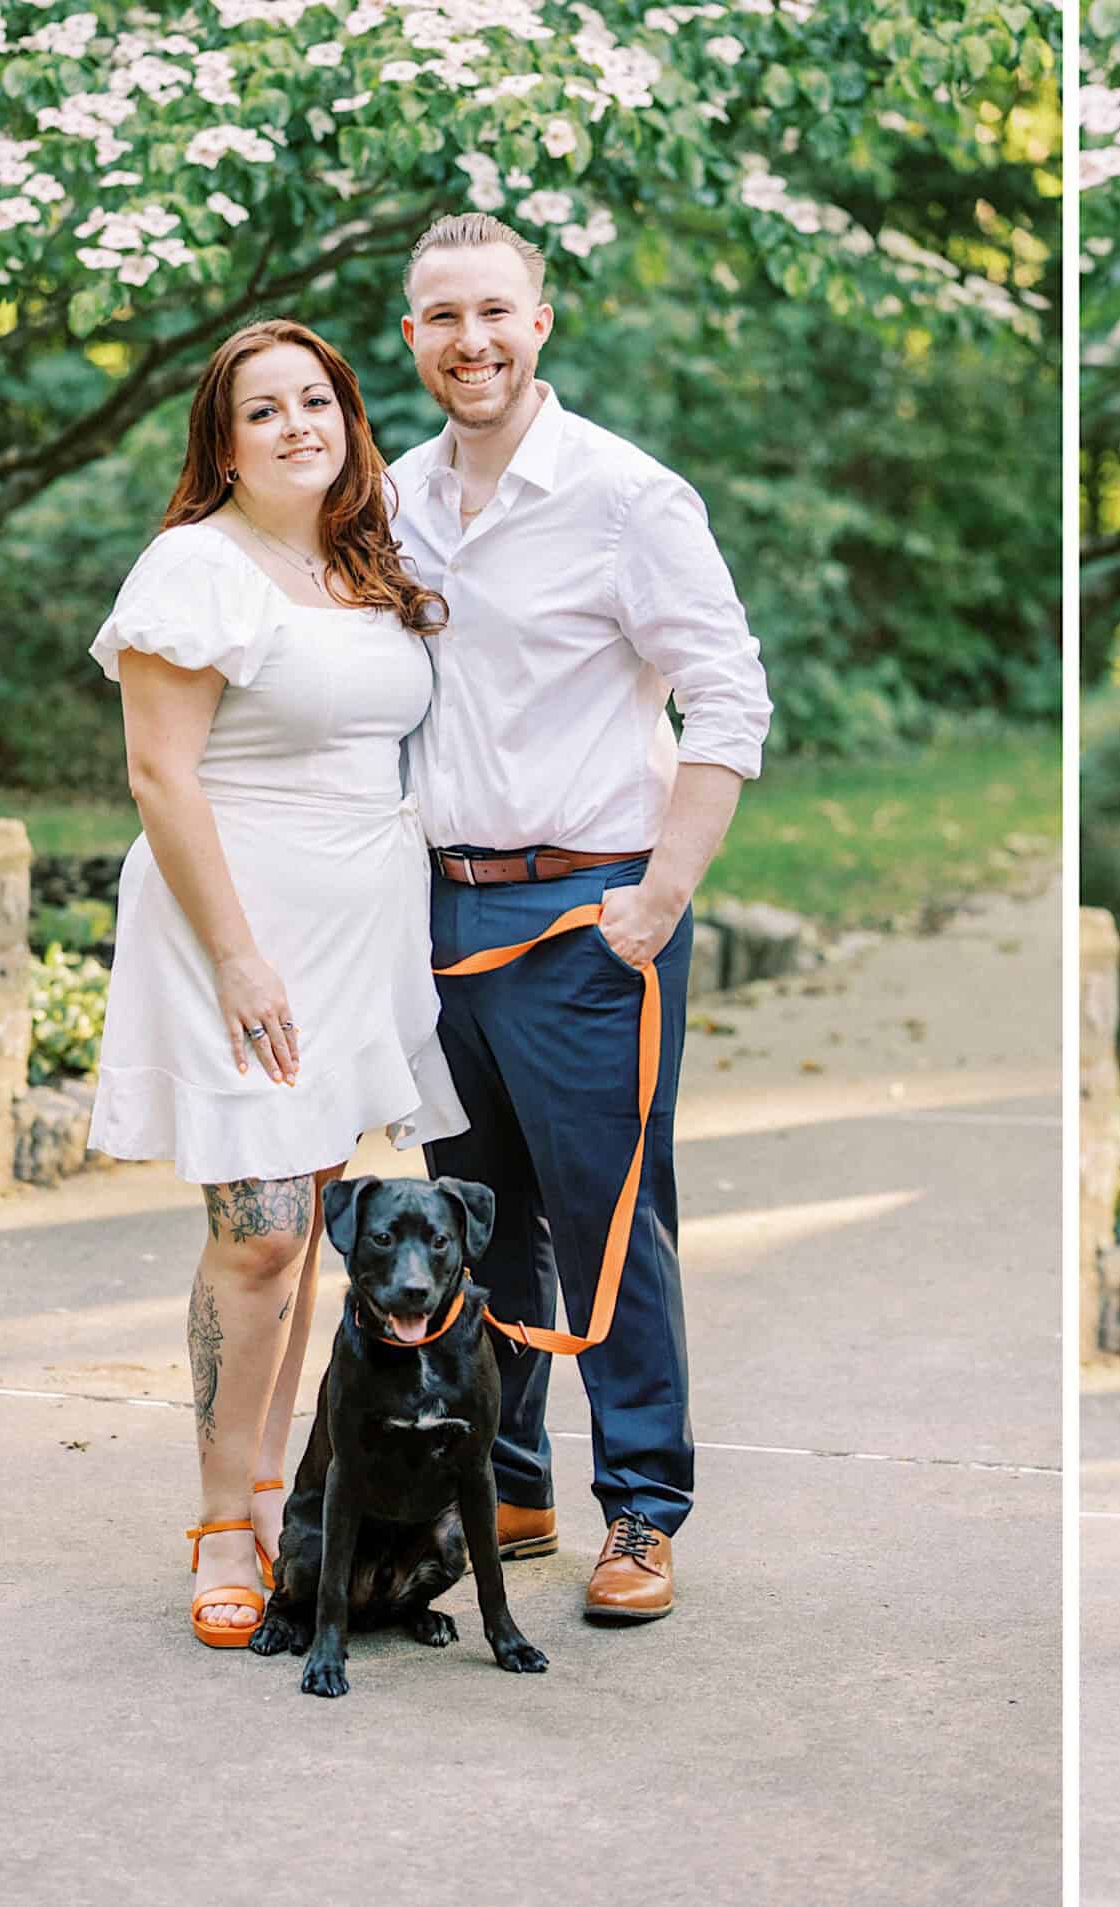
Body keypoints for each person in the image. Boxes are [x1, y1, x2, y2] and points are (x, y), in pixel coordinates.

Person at [388, 214, 771, 1626]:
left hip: (588, 910)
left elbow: (729, 695)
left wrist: (662, 894)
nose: (470, 339)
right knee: (482, 1218)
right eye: (441, 315)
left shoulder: (626, 496)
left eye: (495, 310)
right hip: (442, 917)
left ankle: (644, 1511)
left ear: (542, 320)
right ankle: (510, 1481)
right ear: (413, 332)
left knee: (612, 1220)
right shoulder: (394, 496)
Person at [86, 319, 467, 1649]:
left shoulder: (361, 562)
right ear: (223, 441)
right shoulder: (196, 567)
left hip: (359, 927)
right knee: (257, 1233)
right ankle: (216, 1515)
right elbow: (160, 775)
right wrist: (240, 952)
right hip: (234, 924)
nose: (300, 423)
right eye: (266, 409)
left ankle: (279, 1487)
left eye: (319, 399)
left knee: (306, 1230)